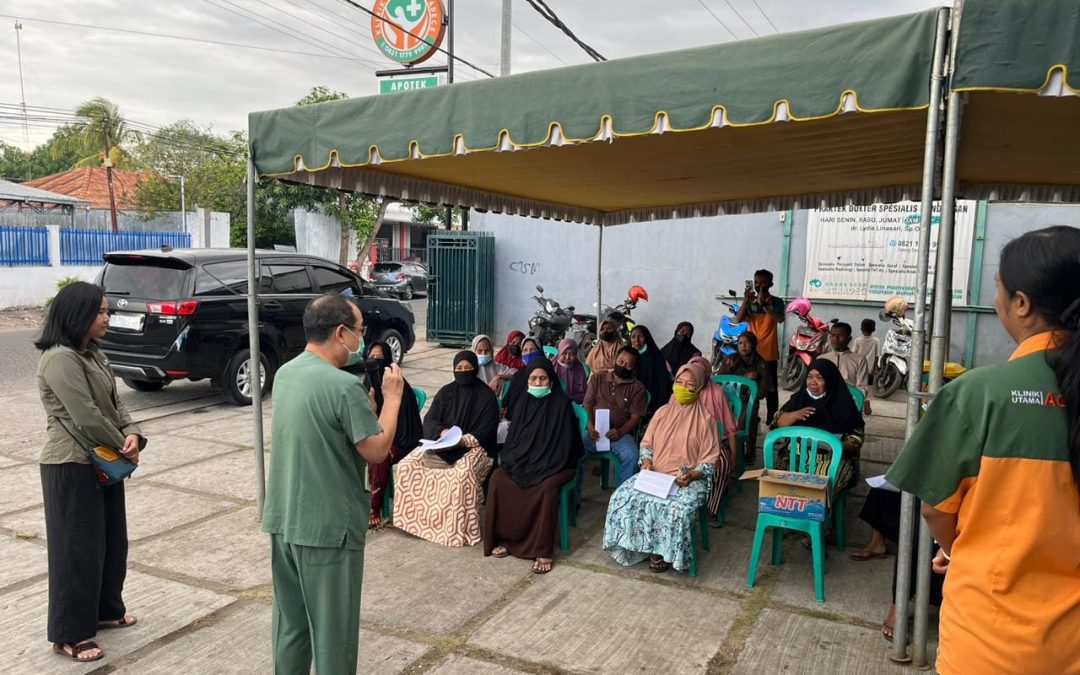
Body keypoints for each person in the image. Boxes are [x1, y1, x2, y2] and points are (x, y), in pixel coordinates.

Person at [885, 226, 1080, 675]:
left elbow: (935, 509)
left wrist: (962, 548)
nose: (996, 300)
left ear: (1021, 303)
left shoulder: (979, 393)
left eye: (998, 288)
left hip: (990, 643)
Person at [262, 294, 404, 674]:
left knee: (291, 626)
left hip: (285, 520)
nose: (361, 339)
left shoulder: (286, 374)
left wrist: (365, 413)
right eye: (359, 331)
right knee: (333, 637)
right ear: (341, 333)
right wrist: (392, 400)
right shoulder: (343, 386)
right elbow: (376, 450)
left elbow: (323, 431)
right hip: (327, 529)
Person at [35, 282, 145, 663]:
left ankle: (106, 610)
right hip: (70, 464)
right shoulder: (60, 358)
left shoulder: (94, 354)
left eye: (107, 310)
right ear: (77, 315)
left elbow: (116, 404)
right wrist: (122, 444)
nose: (107, 317)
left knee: (112, 542)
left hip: (103, 458)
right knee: (75, 550)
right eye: (100, 311)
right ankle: (71, 633)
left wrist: (133, 433)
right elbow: (85, 415)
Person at [603, 360, 721, 573]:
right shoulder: (662, 413)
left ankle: (663, 552)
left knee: (675, 509)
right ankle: (637, 545)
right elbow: (647, 444)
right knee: (621, 497)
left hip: (686, 480)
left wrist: (692, 475)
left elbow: (709, 460)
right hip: (655, 474)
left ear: (699, 389)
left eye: (690, 385)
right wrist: (647, 462)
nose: (682, 388)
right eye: (679, 382)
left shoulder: (706, 420)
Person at [485, 360, 582, 574]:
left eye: (543, 379)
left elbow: (566, 447)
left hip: (557, 464)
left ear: (551, 381)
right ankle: (508, 539)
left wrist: (541, 465)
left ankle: (542, 550)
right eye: (533, 379)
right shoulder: (523, 403)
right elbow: (514, 442)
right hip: (526, 461)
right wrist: (518, 462)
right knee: (499, 479)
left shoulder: (561, 405)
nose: (538, 383)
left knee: (546, 487)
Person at [394, 351, 500, 546]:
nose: (463, 371)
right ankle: (417, 523)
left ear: (475, 369)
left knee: (461, 478)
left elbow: (487, 430)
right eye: (459, 368)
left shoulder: (486, 396)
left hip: (475, 447)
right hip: (441, 443)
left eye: (468, 368)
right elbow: (430, 419)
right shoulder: (446, 392)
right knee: (406, 466)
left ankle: (453, 530)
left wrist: (461, 440)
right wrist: (442, 432)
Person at [770, 358, 864, 501]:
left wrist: (836, 447)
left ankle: (814, 511)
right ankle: (787, 509)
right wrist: (794, 415)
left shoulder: (843, 404)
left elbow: (856, 438)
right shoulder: (799, 399)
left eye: (819, 378)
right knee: (776, 483)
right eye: (810, 377)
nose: (812, 382)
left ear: (830, 380)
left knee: (823, 484)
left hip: (831, 459)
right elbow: (777, 423)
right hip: (795, 456)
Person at [359, 340, 424, 528]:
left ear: (388, 360)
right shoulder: (367, 383)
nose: (374, 361)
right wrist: (371, 408)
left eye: (380, 358)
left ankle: (375, 507)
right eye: (371, 357)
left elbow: (401, 429)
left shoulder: (398, 386)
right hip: (376, 435)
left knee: (379, 455)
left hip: (402, 441)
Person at [578, 346, 649, 505]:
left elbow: (635, 417)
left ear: (634, 368)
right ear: (615, 359)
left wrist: (621, 431)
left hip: (619, 434)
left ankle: (621, 502)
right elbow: (588, 404)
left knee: (632, 456)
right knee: (574, 451)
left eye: (628, 365)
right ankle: (574, 500)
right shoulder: (597, 378)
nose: (623, 366)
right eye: (620, 361)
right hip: (594, 431)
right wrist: (590, 425)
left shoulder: (638, 388)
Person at [687, 355, 738, 518]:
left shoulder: (716, 393)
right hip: (686, 442)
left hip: (714, 442)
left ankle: (710, 508)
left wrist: (734, 456)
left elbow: (730, 427)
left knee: (721, 465)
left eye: (700, 372)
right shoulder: (683, 390)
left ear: (707, 374)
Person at [735, 269, 785, 424]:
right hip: (751, 352)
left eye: (763, 282)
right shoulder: (750, 302)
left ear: (771, 284)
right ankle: (750, 416)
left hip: (769, 351)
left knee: (771, 389)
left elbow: (779, 319)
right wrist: (746, 300)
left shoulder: (777, 302)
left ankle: (772, 419)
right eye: (756, 282)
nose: (759, 285)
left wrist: (764, 306)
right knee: (749, 384)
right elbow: (738, 319)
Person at [719, 331, 772, 462]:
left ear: (753, 345)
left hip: (749, 400)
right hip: (729, 398)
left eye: (747, 343)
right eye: (740, 343)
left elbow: (764, 389)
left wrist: (751, 393)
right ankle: (725, 449)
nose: (743, 346)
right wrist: (744, 378)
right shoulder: (730, 360)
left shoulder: (761, 363)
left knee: (748, 417)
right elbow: (720, 380)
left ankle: (748, 452)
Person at [820, 322, 872, 415]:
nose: (836, 339)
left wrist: (851, 400)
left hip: (849, 403)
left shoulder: (859, 360)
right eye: (833, 335)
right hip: (824, 403)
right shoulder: (822, 359)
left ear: (849, 339)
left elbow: (862, 387)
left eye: (840, 336)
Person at [628, 325, 673, 414]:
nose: (636, 340)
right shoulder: (627, 354)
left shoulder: (655, 357)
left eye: (641, 336)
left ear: (646, 338)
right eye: (633, 336)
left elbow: (663, 383)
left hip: (651, 402)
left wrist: (657, 407)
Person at [501, 337, 545, 412]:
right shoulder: (519, 375)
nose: (528, 353)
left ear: (539, 351)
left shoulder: (546, 373)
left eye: (532, 349)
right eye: (525, 350)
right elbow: (509, 400)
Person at [552, 338, 587, 404]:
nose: (567, 357)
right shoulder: (552, 367)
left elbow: (583, 393)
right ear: (559, 353)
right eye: (564, 353)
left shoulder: (579, 370)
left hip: (574, 404)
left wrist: (570, 400)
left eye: (572, 354)